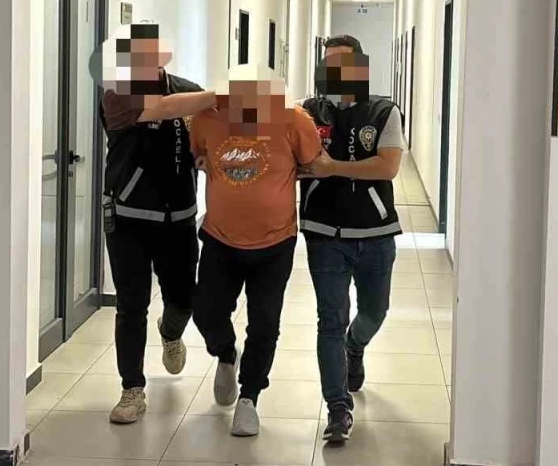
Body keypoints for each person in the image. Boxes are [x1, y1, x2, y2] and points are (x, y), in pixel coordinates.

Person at [189, 66, 322, 437]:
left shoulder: (294, 120)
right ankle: (226, 354)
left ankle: (249, 397)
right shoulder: (206, 120)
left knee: (264, 323)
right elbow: (199, 154)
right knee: (206, 313)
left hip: (275, 241)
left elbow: (312, 162)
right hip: (220, 237)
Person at [96, 23, 217, 424]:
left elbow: (204, 136)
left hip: (178, 219)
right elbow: (162, 109)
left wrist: (204, 155)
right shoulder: (118, 91)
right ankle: (132, 389)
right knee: (132, 305)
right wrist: (220, 95)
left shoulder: (187, 89)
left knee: (183, 298)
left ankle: (171, 332)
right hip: (128, 218)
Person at [298, 35, 406, 443]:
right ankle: (338, 408)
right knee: (330, 319)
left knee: (374, 313)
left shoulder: (383, 111)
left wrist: (332, 167)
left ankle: (355, 346)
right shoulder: (308, 111)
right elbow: (290, 155)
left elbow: (387, 167)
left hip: (375, 232)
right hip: (324, 233)